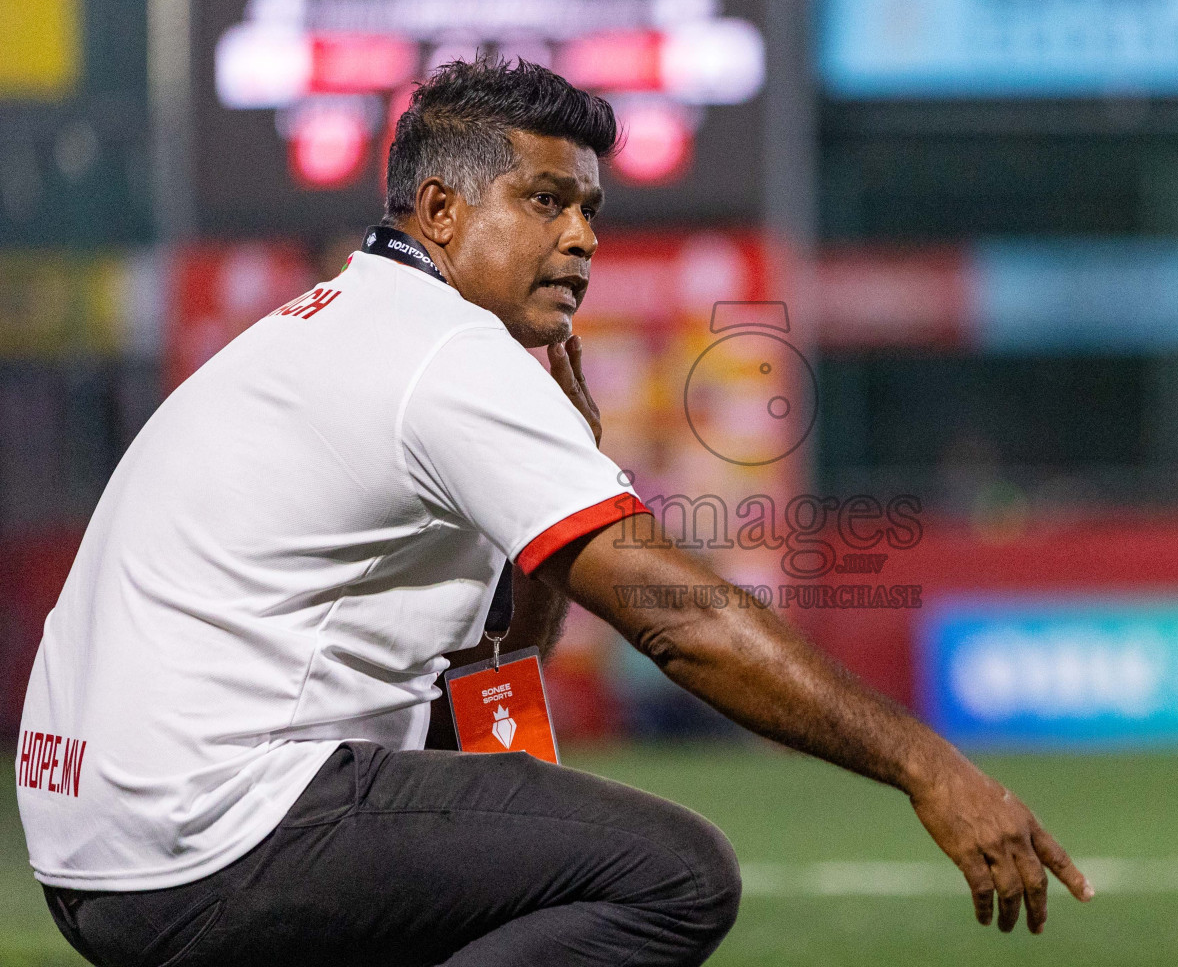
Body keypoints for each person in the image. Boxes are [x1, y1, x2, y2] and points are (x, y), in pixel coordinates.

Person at [16, 58, 1091, 967]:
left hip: (92, 839)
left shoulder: (341, 322)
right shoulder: (447, 353)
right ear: (439, 211)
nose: (580, 235)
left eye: (590, 210)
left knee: (505, 817)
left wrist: (544, 514)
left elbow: (482, 697)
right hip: (210, 834)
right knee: (673, 875)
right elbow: (682, 619)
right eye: (544, 201)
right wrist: (930, 768)